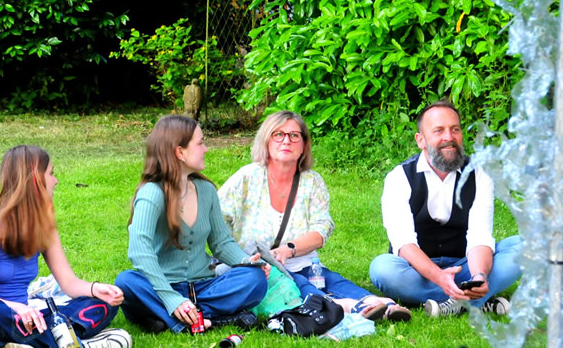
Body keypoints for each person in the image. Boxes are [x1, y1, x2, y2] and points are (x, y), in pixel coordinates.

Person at [219, 110, 411, 322]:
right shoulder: (246, 178)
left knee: (333, 281)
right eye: (278, 134)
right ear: (266, 140)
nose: (286, 141)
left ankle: (383, 304)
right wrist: (236, 257)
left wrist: (287, 250)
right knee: (302, 288)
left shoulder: (312, 182)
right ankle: (354, 308)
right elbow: (216, 218)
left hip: (303, 262)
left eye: (294, 135)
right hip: (262, 270)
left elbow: (322, 229)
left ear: (303, 145)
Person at [0, 145, 131, 348]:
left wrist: (97, 289)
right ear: (34, 179)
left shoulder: (44, 227)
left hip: (29, 318)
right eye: (51, 173)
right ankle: (78, 345)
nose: (56, 180)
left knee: (104, 303)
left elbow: (68, 283)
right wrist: (19, 308)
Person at [115, 115, 268, 334]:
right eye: (200, 143)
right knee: (127, 282)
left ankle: (172, 319)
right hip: (161, 286)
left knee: (254, 279)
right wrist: (170, 298)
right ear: (180, 152)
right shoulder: (152, 193)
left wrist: (247, 261)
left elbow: (222, 243)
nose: (205, 149)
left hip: (204, 286)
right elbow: (139, 250)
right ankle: (200, 319)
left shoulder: (206, 191)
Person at [368, 100, 522, 317]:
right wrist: (440, 277)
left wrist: (479, 276)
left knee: (524, 247)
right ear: (420, 140)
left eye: (455, 129)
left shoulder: (479, 175)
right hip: (417, 270)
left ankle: (452, 301)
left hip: (465, 265)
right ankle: (472, 301)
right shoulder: (399, 177)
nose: (449, 137)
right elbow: (404, 244)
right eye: (438, 130)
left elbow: (480, 236)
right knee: (382, 269)